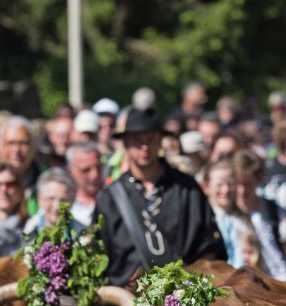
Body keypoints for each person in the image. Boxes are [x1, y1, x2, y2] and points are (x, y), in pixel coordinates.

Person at [93, 108, 226, 285]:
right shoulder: (109, 198)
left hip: (185, 294)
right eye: (137, 140)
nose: (145, 147)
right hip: (126, 300)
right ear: (125, 143)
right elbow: (99, 257)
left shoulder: (187, 188)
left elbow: (210, 247)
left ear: (160, 141)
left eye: (151, 139)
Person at [231, 150, 286, 280]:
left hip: (277, 280)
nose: (242, 191)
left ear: (258, 181)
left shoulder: (274, 210)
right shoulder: (228, 214)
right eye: (238, 184)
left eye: (247, 184)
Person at [24, 168, 78, 233]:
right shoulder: (26, 231)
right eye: (51, 199)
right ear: (39, 199)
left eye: (63, 200)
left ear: (72, 201)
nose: (57, 207)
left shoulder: (84, 237)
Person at [64, 142, 103, 226]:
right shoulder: (63, 205)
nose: (95, 175)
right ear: (70, 171)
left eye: (98, 167)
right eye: (86, 170)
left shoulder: (116, 198)